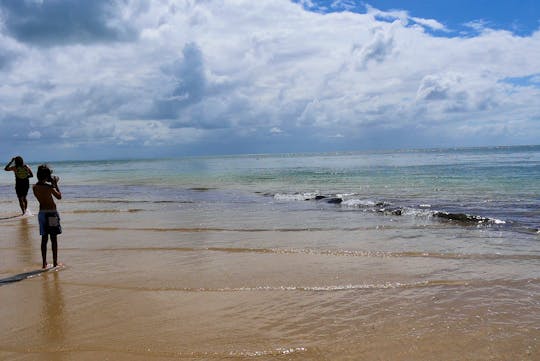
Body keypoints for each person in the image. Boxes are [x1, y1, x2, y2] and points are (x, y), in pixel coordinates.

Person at [33, 164, 62, 269]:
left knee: (44, 239)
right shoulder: (49, 187)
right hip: (52, 214)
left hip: (41, 214)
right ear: (47, 176)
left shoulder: (34, 187)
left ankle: (44, 263)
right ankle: (55, 263)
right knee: (53, 239)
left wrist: (51, 183)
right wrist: (55, 184)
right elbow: (59, 197)